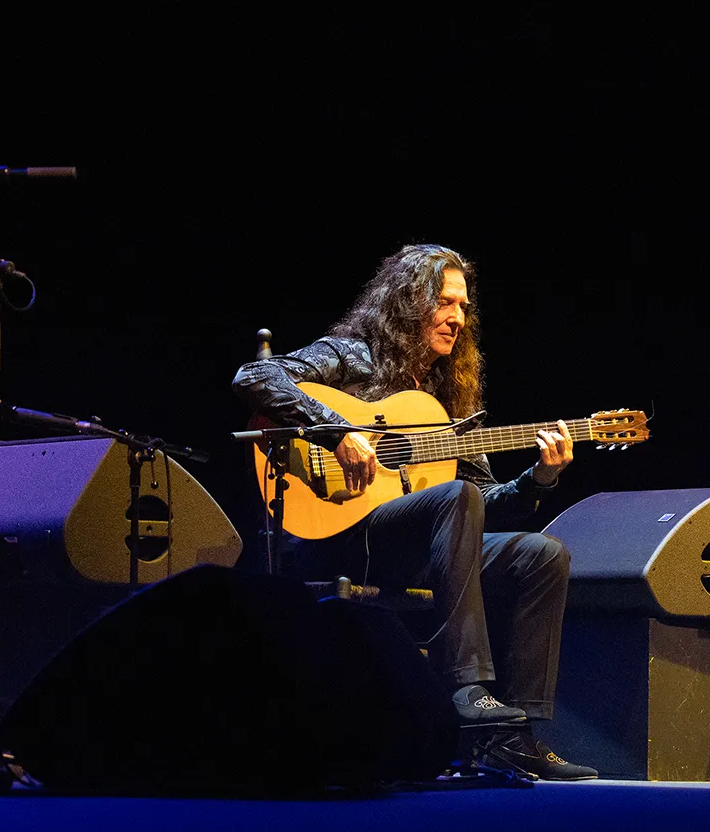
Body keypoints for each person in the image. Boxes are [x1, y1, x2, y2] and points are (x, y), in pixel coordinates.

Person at [232, 243, 595, 780]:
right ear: (408, 302)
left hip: (418, 548)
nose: (458, 318)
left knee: (542, 555)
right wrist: (339, 433)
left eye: (465, 307)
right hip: (343, 536)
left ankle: (516, 737)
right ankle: (465, 683)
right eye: (445, 303)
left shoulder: (453, 394)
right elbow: (254, 377)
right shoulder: (353, 356)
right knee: (455, 499)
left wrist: (538, 479)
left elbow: (480, 505)